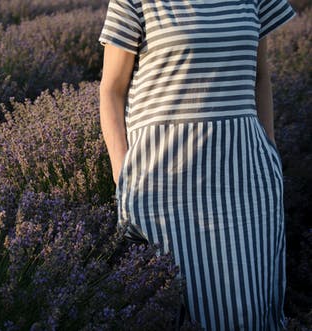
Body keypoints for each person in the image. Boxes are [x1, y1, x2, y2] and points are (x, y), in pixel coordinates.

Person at [98, 0, 296, 330]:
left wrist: (270, 155)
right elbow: (111, 91)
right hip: (165, 184)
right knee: (183, 313)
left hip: (247, 177)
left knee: (251, 310)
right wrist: (124, 177)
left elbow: (261, 78)